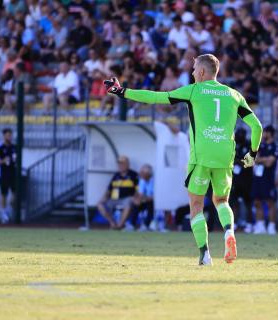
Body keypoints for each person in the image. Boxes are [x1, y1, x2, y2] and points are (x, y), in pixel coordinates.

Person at [104, 54, 262, 266]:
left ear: (203, 72)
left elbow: (156, 97)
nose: (192, 72)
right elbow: (257, 127)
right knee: (222, 201)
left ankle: (205, 254)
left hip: (201, 157)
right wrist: (252, 154)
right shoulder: (234, 95)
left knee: (196, 205)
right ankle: (228, 233)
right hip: (225, 156)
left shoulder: (193, 91)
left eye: (195, 68)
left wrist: (122, 92)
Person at [252, 125, 278, 235]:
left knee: (270, 202)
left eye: (264, 132)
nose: (262, 135)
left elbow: (270, 163)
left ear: (270, 133)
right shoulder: (259, 146)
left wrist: (261, 160)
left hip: (268, 178)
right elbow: (254, 159)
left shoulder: (275, 147)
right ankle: (260, 225)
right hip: (257, 178)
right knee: (257, 201)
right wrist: (265, 159)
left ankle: (272, 226)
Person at [97, 156, 139, 229]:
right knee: (100, 204)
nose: (121, 166)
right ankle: (112, 223)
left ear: (127, 164)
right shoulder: (116, 175)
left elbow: (138, 189)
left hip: (127, 198)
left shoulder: (133, 175)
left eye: (123, 164)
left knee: (128, 203)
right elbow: (109, 190)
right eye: (119, 164)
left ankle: (120, 225)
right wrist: (103, 198)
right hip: (114, 199)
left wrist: (135, 197)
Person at [230, 128, 254, 233]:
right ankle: (234, 223)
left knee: (248, 202)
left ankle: (249, 223)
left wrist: (236, 161)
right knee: (234, 202)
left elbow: (248, 162)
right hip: (235, 178)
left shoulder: (249, 145)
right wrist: (238, 161)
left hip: (246, 178)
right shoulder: (233, 145)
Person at [0, 128, 16, 224]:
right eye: (8, 135)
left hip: (13, 173)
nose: (9, 137)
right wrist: (2, 161)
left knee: (15, 194)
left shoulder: (14, 147)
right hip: (4, 174)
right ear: (4, 136)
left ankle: (8, 211)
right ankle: (3, 214)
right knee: (4, 194)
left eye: (11, 135)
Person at [120, 164, 154, 232]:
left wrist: (142, 199)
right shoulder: (142, 180)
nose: (140, 174)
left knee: (150, 204)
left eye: (142, 172)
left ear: (148, 174)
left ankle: (146, 225)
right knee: (136, 205)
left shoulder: (155, 181)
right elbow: (140, 194)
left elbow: (154, 197)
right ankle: (132, 225)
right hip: (145, 200)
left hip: (153, 202)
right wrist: (137, 200)